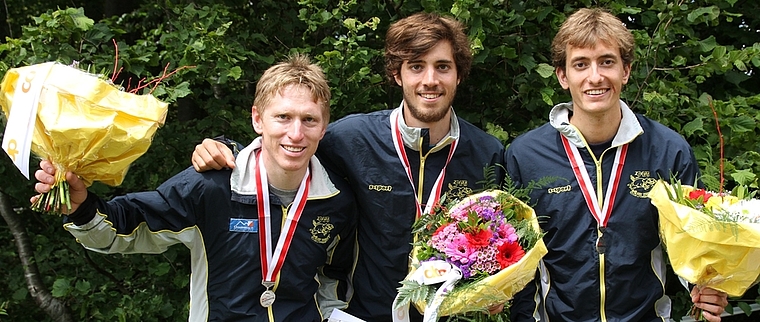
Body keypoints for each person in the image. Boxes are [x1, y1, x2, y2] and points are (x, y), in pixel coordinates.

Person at [191, 12, 506, 321]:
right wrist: (227, 148)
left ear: (459, 74)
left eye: (443, 67)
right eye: (416, 66)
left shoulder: (486, 153)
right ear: (398, 74)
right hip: (364, 315)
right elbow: (289, 145)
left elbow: (498, 241)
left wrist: (495, 286)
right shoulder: (352, 139)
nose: (430, 80)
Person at [32, 54, 357, 322]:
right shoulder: (212, 186)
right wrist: (82, 206)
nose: (296, 133)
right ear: (258, 119)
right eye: (283, 117)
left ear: (324, 126)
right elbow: (125, 227)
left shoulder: (337, 202)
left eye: (309, 120)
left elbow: (334, 285)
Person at [504, 8, 729, 321]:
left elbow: (693, 243)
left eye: (606, 62)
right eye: (580, 64)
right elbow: (518, 261)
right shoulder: (525, 155)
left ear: (625, 71)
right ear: (562, 76)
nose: (595, 76)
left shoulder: (668, 150)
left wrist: (707, 286)